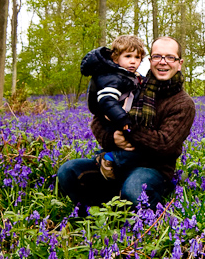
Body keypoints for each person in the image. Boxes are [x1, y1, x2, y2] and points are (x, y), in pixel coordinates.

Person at [58, 36, 196, 212]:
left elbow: (164, 144)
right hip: (115, 160)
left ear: (179, 63)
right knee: (68, 172)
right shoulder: (132, 84)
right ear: (150, 60)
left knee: (134, 190)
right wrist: (113, 137)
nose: (163, 62)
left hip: (153, 167)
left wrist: (127, 128)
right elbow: (98, 119)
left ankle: (143, 201)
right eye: (157, 57)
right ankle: (97, 213)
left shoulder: (183, 103)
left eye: (170, 57)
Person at [81, 35, 145, 180]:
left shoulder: (130, 76)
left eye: (137, 57)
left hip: (119, 121)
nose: (133, 61)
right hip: (114, 122)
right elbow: (107, 100)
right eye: (128, 56)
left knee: (135, 151)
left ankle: (111, 163)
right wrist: (122, 118)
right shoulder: (112, 77)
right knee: (135, 152)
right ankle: (108, 158)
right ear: (116, 58)